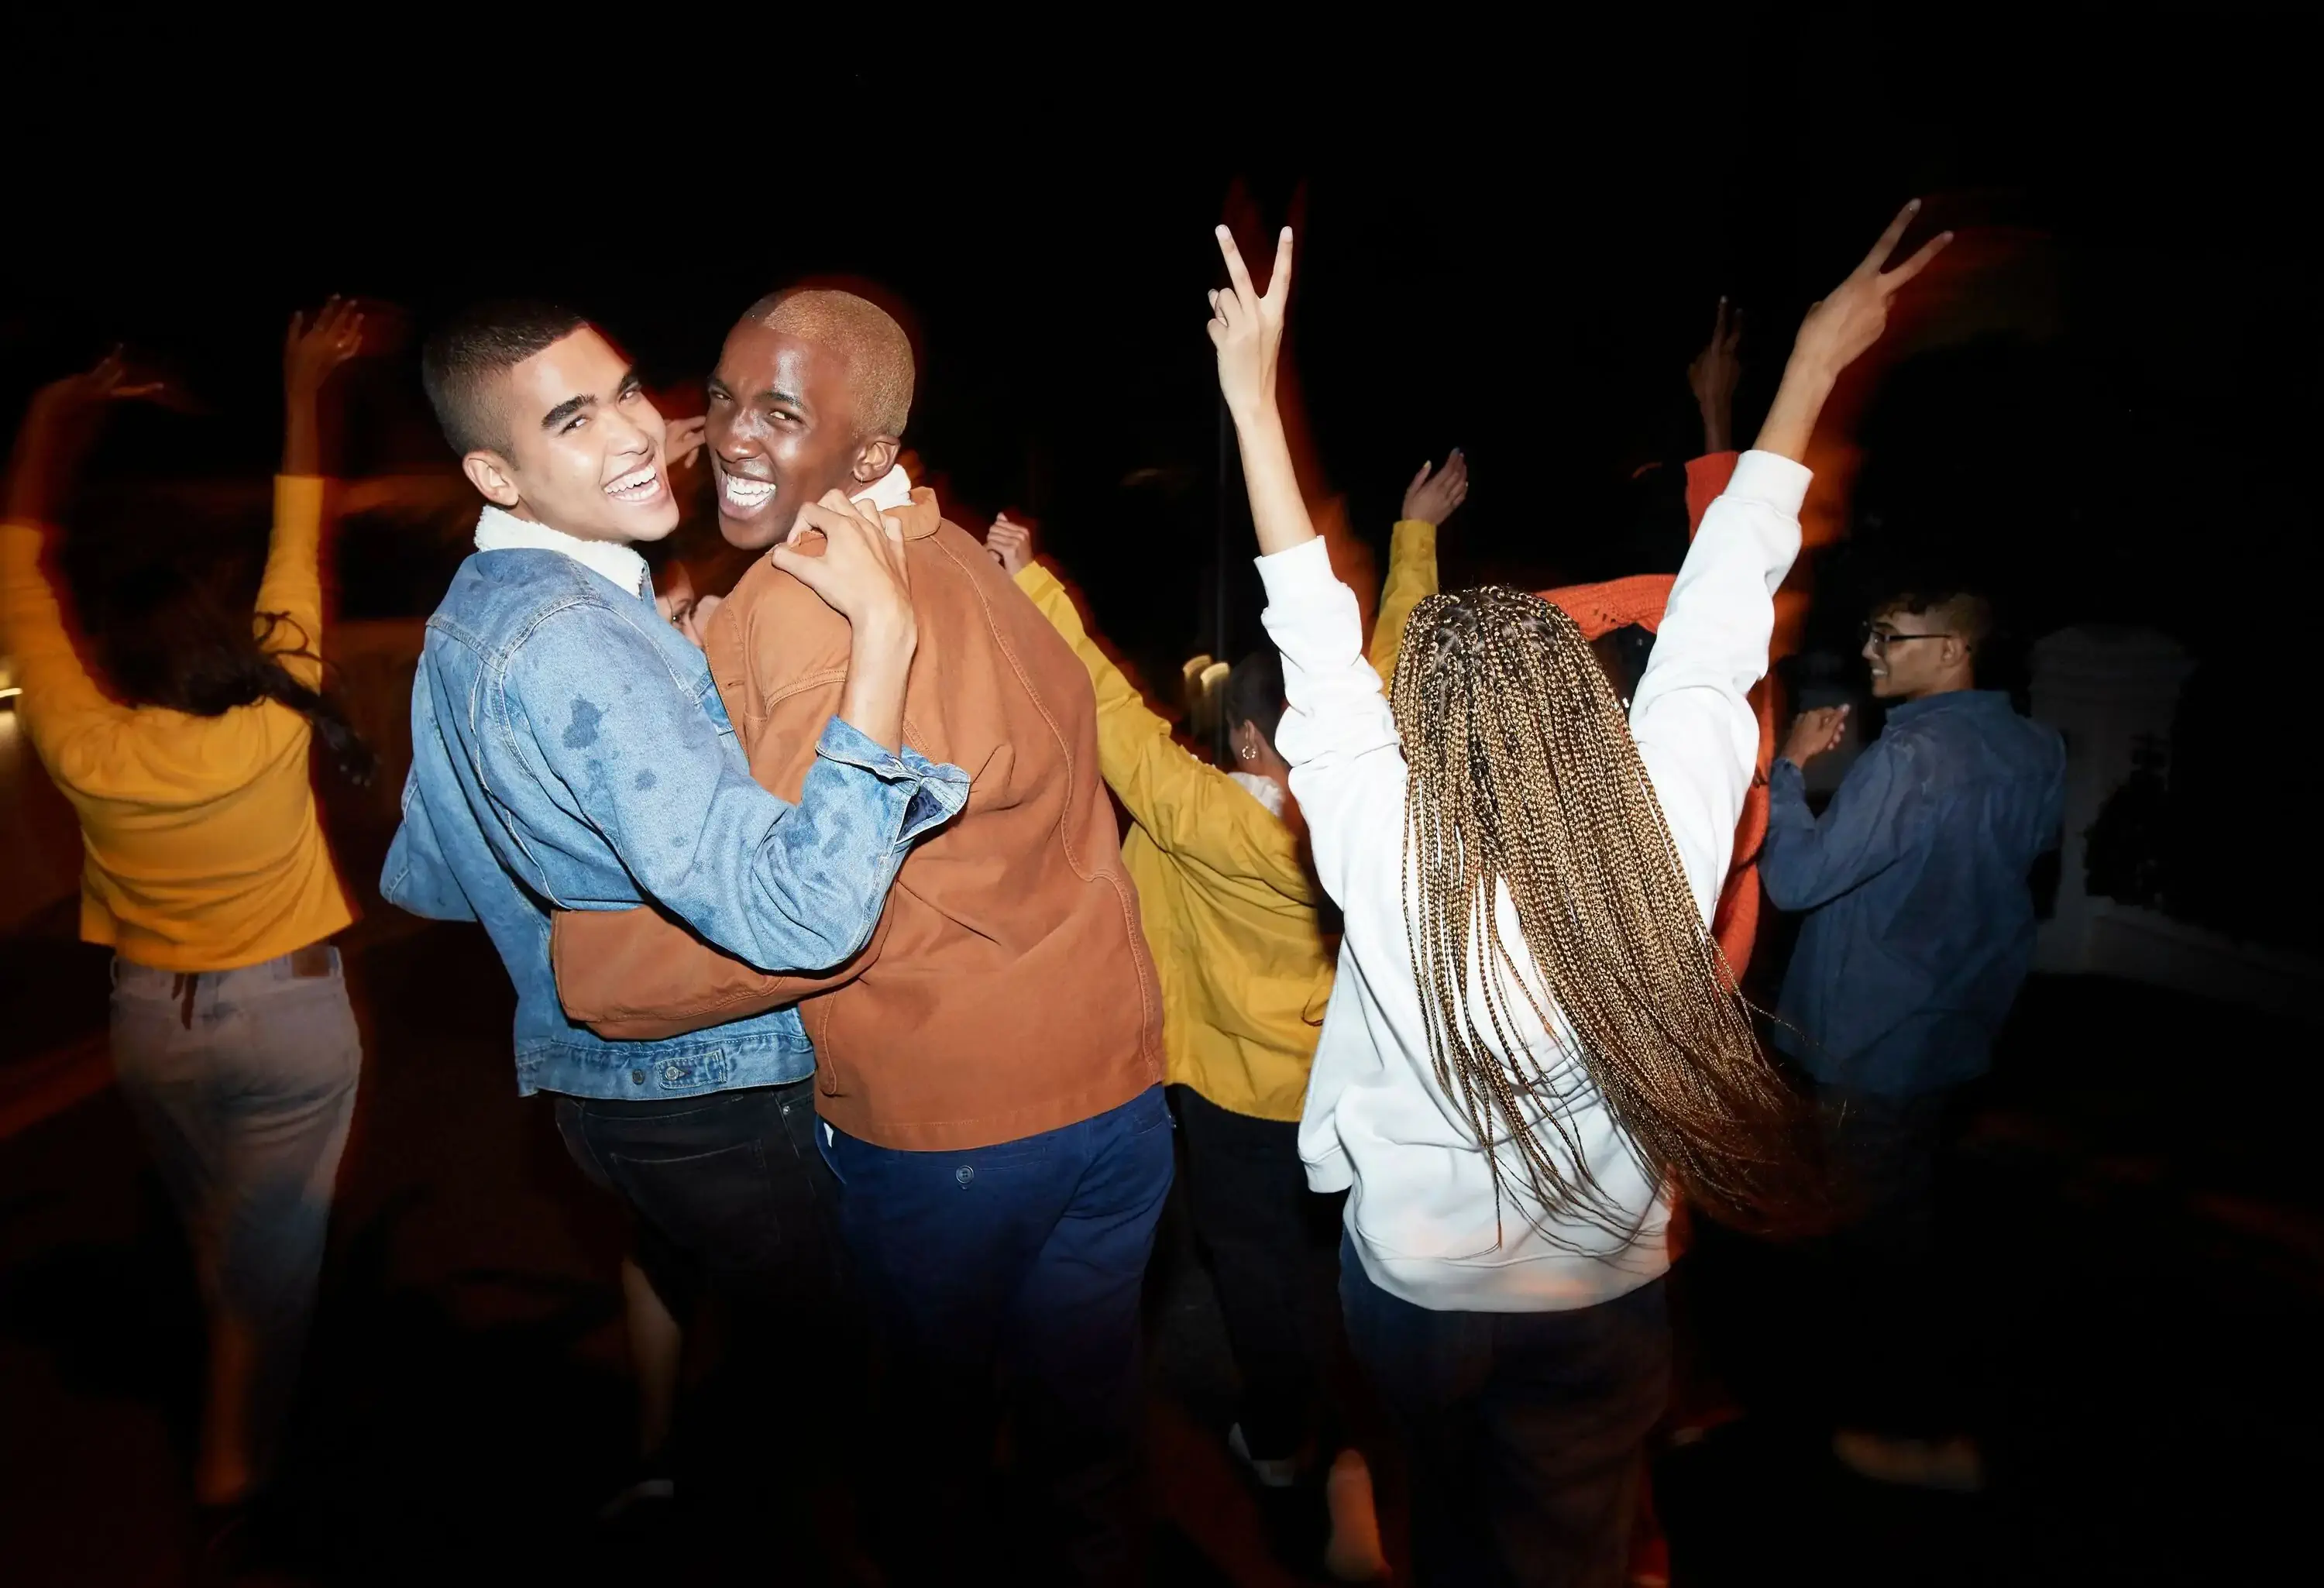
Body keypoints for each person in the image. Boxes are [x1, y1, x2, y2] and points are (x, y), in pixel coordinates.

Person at [1207, 204, 1949, 1586]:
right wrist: (1812, 363)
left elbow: (1308, 623)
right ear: (1580, 706)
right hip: (1603, 1297)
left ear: (1422, 723)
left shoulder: (1383, 837)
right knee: (1570, 1552)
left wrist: (1253, 398)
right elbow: (1726, 599)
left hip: (1419, 1294)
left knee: (1441, 1517)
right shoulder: (1662, 823)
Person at [552, 288, 1172, 1586]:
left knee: (916, 1466)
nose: (733, 436)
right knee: (1082, 1462)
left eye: (782, 412)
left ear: (874, 450)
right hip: (1116, 1092)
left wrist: (586, 970)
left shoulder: (802, 603)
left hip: (956, 1127)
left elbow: (793, 910)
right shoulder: (967, 564)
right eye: (725, 399)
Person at [378, 302, 967, 1541]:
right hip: (713, 1096)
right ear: (496, 475)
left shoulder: (479, 606)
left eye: (631, 390)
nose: (639, 432)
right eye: (572, 421)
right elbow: (804, 915)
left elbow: (432, 862)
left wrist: (654, 714)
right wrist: (885, 638)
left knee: (766, 1379)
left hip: (609, 1090)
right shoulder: (570, 639)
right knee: (832, 1421)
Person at [983, 456, 1463, 1583]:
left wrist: (1032, 582)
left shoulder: (1209, 818)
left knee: (1252, 1263)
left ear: (1247, 741)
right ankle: (1379, 1427)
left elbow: (1111, 716)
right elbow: (1390, 664)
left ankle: (1284, 1440)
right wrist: (1414, 539)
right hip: (1351, 1080)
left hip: (1235, 1100)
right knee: (1348, 1252)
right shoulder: (1372, 804)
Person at [1, 307, 374, 1580]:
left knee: (217, 1218)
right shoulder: (273, 719)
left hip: (152, 1025)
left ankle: (228, 1334)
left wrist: (51, 417)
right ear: (224, 642)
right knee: (273, 1269)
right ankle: (230, 1459)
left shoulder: (76, 736)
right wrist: (302, 387)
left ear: (116, 661)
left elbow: (21, 569)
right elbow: (299, 535)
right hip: (289, 1022)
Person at [1762, 579, 2064, 1491]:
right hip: (1956, 1024)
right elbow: (2021, 867)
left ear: (1954, 649)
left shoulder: (1910, 756)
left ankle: (1903, 1430)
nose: (1870, 652)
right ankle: (1904, 1410)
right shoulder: (2038, 746)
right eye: (1871, 633)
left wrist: (1787, 773)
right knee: (1906, 1214)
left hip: (1869, 1033)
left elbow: (1796, 880)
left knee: (1870, 1246)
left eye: (1891, 636)